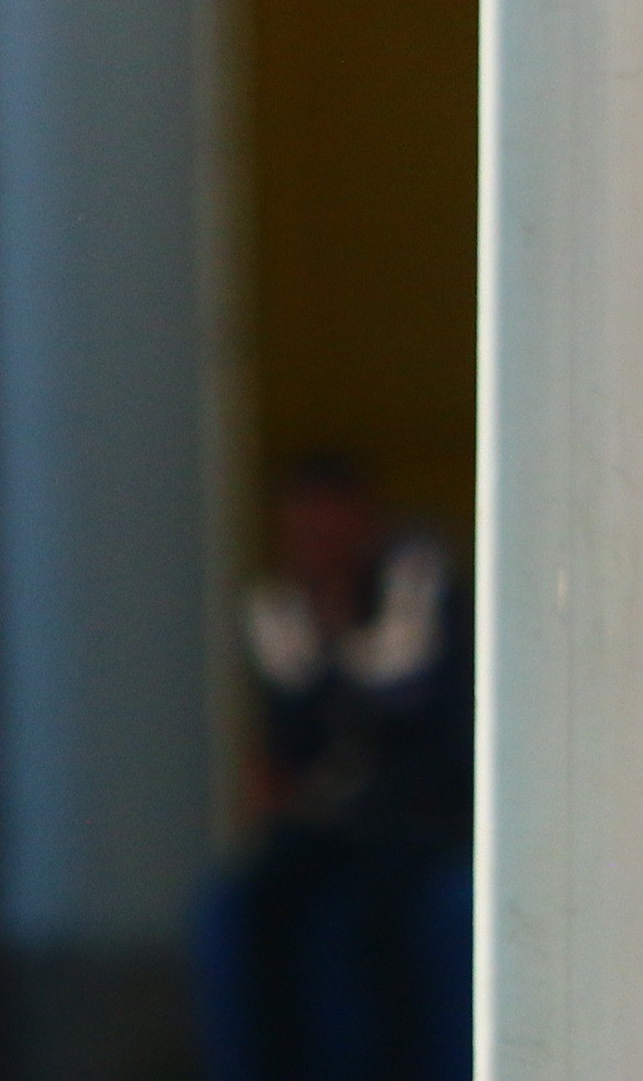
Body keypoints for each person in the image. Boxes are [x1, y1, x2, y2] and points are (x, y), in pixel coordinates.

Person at [202, 455, 465, 1081]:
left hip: (425, 806)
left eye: (329, 529)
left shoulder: (416, 579)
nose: (316, 546)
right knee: (258, 901)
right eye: (302, 534)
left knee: (383, 917)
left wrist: (337, 640)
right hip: (339, 815)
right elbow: (292, 734)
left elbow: (413, 702)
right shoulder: (280, 608)